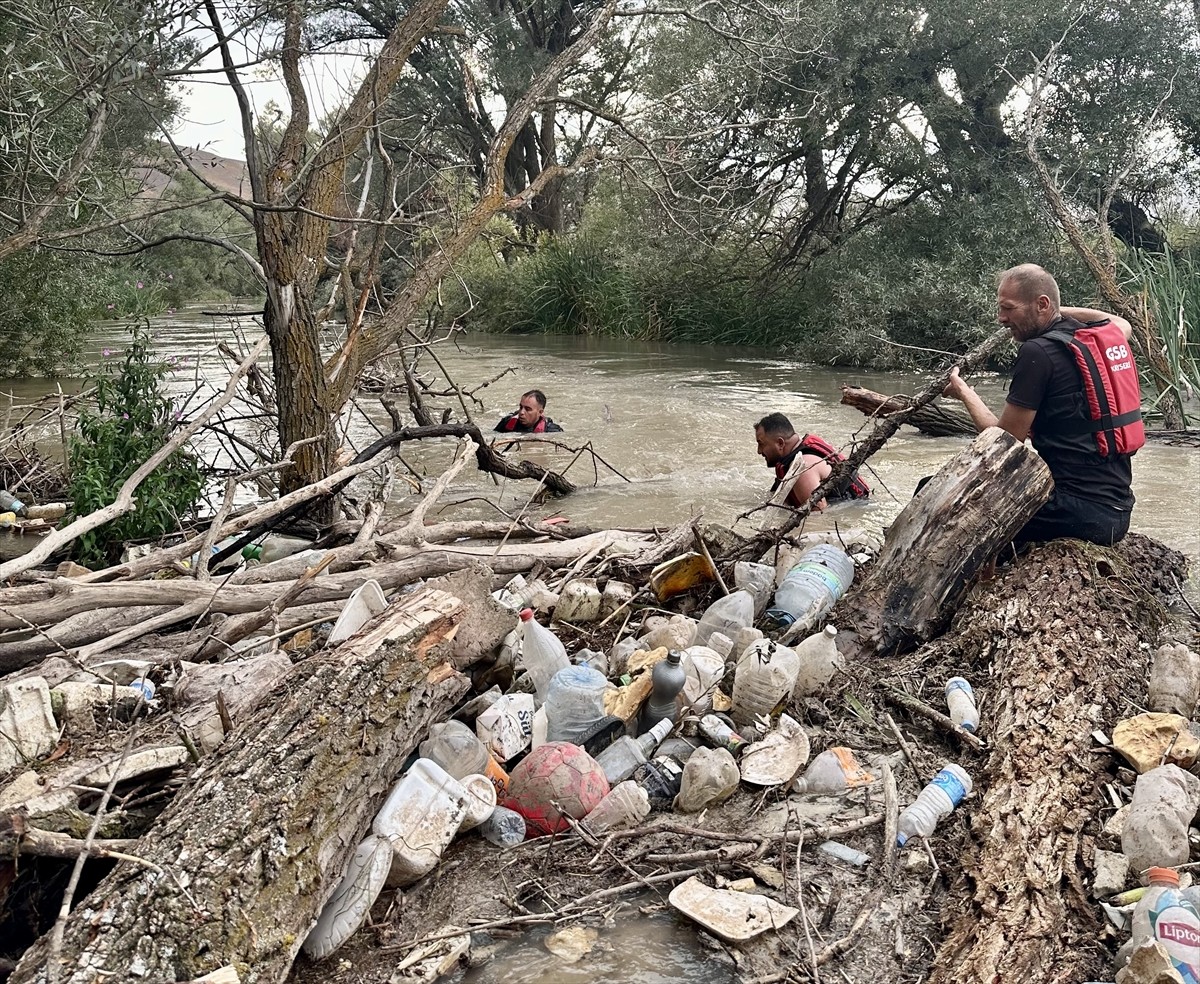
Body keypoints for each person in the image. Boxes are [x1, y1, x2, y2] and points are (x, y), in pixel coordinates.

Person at [942, 263, 1143, 547]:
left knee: (939, 495)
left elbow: (1003, 442)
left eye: (1009, 308)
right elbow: (1120, 322)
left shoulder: (1038, 352)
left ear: (1042, 304)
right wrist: (1055, 311)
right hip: (1116, 512)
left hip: (1074, 512)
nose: (1001, 318)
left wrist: (964, 392)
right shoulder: (1101, 339)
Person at [753, 413, 870, 509]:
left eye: (761, 444)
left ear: (780, 443)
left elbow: (817, 517)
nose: (759, 451)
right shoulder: (795, 456)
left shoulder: (803, 469)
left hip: (856, 508)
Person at [494, 390, 563, 434]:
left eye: (528, 409)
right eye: (521, 407)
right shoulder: (506, 423)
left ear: (540, 412)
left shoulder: (552, 431)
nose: (521, 412)